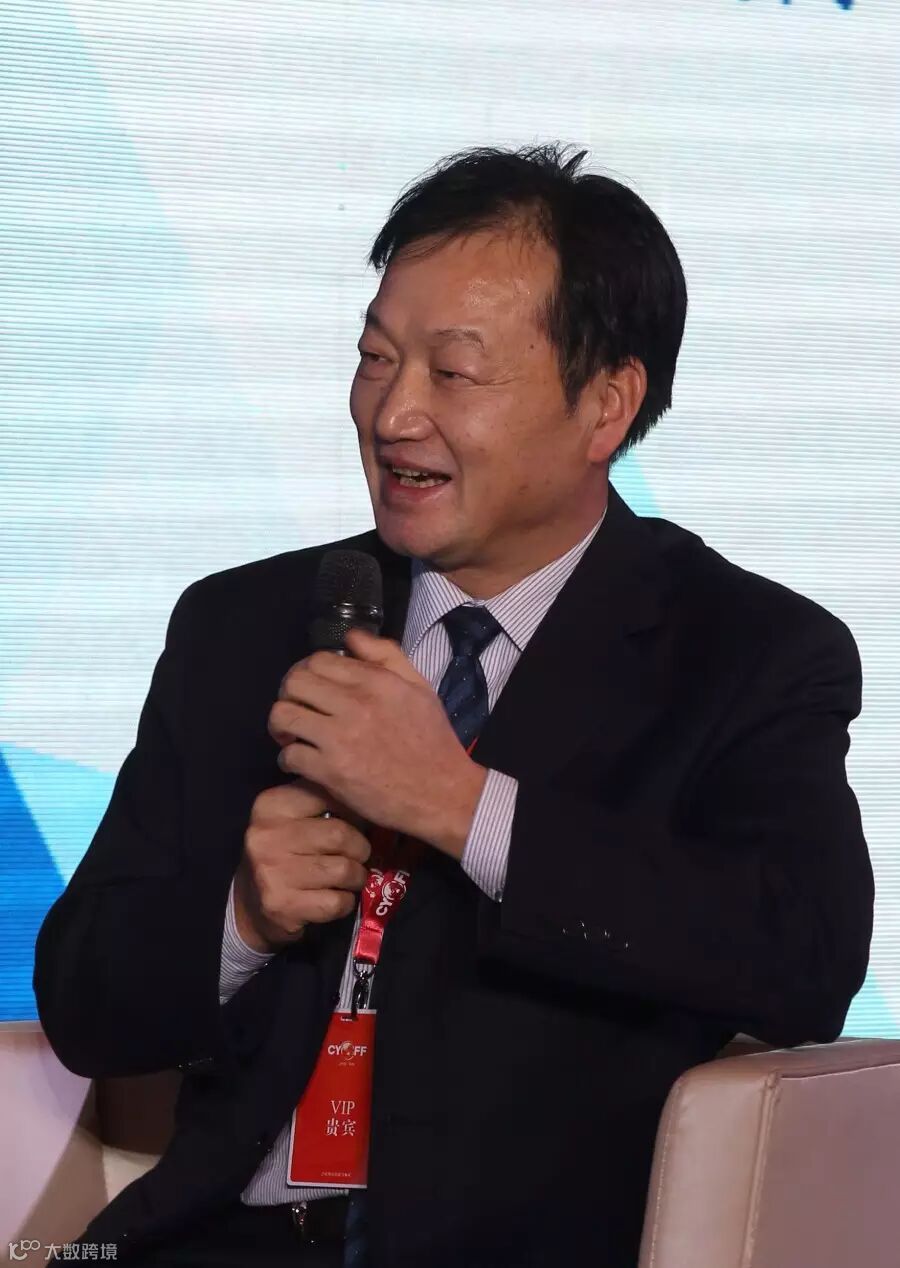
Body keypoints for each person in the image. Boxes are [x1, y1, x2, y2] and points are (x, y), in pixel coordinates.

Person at [34, 143, 873, 1268]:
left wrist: (463, 805)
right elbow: (82, 1000)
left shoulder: (746, 653)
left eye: (454, 372)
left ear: (606, 405)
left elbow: (803, 959)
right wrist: (242, 916)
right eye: (376, 359)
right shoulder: (241, 626)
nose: (394, 414)